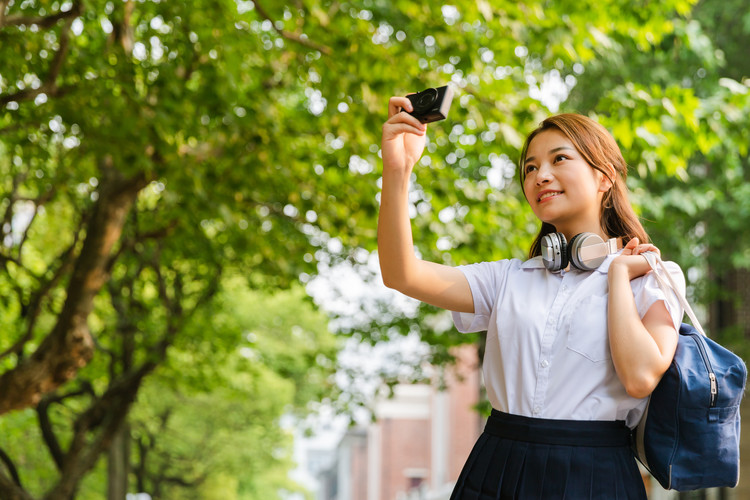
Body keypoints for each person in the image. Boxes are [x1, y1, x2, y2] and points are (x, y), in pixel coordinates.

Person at [378, 95, 686, 499]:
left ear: (604, 176)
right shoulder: (507, 278)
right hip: (498, 467)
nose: (540, 175)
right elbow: (402, 273)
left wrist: (617, 279)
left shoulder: (652, 277)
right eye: (530, 167)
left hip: (595, 474)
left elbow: (641, 376)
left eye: (559, 159)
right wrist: (398, 170)